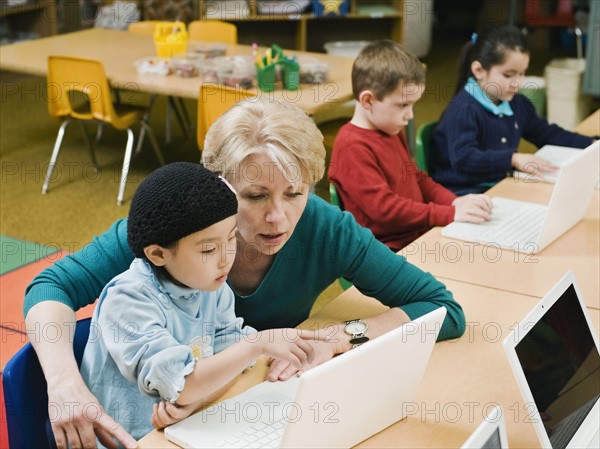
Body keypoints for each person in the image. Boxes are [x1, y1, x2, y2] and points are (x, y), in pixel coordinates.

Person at [24, 98, 466, 449]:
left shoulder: (325, 226)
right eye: (254, 196)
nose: (279, 217)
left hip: (225, 405)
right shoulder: (174, 226)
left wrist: (341, 336)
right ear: (216, 187)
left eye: (295, 192)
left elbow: (442, 309)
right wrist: (64, 383)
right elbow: (52, 285)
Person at [79, 162, 315, 446]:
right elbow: (183, 386)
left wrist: (197, 398)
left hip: (185, 427)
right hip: (131, 442)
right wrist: (256, 345)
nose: (226, 256)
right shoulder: (128, 302)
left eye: (231, 238)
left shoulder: (209, 283)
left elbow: (230, 362)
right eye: (208, 249)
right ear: (157, 254)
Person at [329, 39, 493, 252]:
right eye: (403, 105)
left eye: (413, 105)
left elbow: (416, 178)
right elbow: (385, 210)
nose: (410, 115)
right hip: (386, 253)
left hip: (418, 236)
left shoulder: (390, 128)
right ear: (368, 101)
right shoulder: (352, 146)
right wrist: (447, 214)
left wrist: (454, 203)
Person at [430, 25, 595, 195]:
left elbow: (546, 133)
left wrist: (591, 144)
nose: (518, 83)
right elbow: (464, 159)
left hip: (498, 184)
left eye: (522, 73)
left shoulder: (517, 103)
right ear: (479, 70)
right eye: (508, 75)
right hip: (464, 194)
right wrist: (512, 159)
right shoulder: (463, 109)